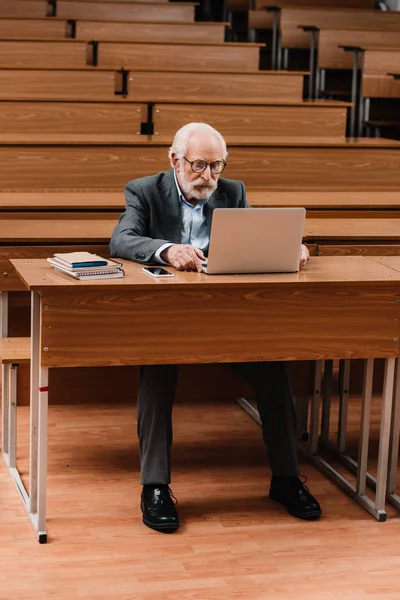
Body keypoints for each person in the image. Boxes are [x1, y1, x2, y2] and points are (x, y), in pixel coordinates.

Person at [110, 122, 321, 532]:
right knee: (155, 375)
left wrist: (290, 247)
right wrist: (166, 250)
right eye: (199, 165)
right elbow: (121, 240)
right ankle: (154, 487)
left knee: (275, 371)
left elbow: (254, 238)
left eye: (216, 166)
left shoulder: (233, 191)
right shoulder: (144, 190)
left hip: (226, 320)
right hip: (167, 321)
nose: (208, 177)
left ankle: (286, 479)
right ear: (175, 160)